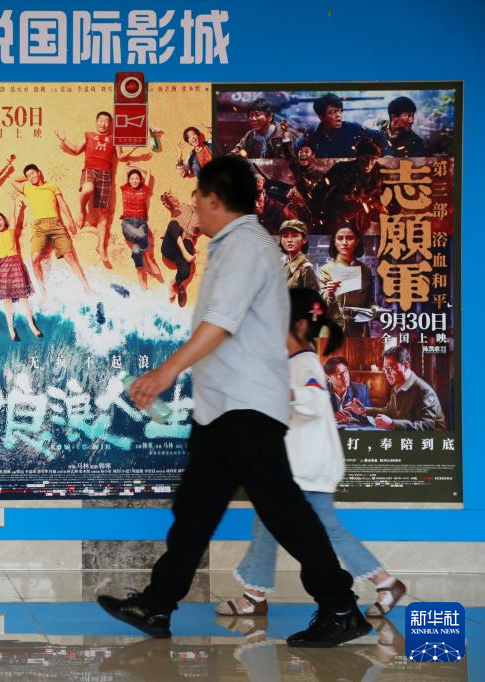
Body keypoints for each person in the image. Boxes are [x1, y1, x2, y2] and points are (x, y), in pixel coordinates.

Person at [97, 154, 368, 648]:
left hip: (246, 406)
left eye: (198, 196)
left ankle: (340, 606)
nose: (193, 205)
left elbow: (221, 322)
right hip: (223, 407)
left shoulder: (245, 245)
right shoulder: (233, 244)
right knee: (195, 512)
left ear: (215, 199)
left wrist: (165, 372)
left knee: (283, 510)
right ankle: (157, 604)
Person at [215, 288, 407, 620]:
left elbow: (314, 401)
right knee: (271, 525)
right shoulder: (293, 363)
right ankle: (255, 596)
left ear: (299, 326)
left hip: (307, 468)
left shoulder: (305, 363)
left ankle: (256, 597)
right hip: (298, 466)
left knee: (313, 529)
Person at [56, 112, 155, 264]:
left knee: (103, 214)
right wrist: (64, 140)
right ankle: (82, 211)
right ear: (96, 121)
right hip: (90, 170)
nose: (103, 124)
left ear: (110, 124)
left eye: (106, 121)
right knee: (87, 189)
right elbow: (76, 149)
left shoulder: (114, 139)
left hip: (106, 176)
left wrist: (134, 148)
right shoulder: (88, 135)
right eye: (101, 120)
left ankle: (101, 246)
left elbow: (120, 157)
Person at [12, 164, 94, 300]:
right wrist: (28, 177)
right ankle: (43, 292)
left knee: (69, 256)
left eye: (33, 173)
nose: (31, 177)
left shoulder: (52, 186)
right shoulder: (28, 188)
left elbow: (62, 203)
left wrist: (71, 220)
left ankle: (87, 288)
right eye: (28, 176)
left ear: (39, 172)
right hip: (39, 227)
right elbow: (13, 180)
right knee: (34, 259)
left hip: (56, 224)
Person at [0, 200, 42, 341]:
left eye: (0, 219)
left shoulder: (11, 230)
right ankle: (11, 328)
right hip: (1, 266)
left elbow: (13, 217)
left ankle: (32, 325)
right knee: (6, 299)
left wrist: (15, 204)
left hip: (15, 263)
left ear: (4, 221)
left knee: (23, 297)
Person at [347, 345, 447, 431]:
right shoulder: (398, 386)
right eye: (385, 369)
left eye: (390, 368)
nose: (387, 373)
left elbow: (427, 426)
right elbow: (389, 411)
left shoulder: (423, 390)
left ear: (406, 366)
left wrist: (392, 424)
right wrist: (364, 411)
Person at [318, 225, 374, 337]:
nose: (344, 242)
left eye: (349, 238)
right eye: (340, 238)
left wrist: (374, 310)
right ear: (334, 242)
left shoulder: (365, 270)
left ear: (357, 241)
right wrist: (329, 293)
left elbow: (370, 300)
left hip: (359, 329)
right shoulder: (326, 269)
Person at [319, 140, 386, 235]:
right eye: (365, 158)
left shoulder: (379, 172)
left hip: (360, 217)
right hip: (336, 215)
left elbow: (382, 197)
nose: (369, 163)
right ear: (358, 157)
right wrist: (318, 214)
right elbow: (319, 191)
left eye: (373, 159)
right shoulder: (341, 168)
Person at [296, 93, 391, 158]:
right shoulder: (311, 134)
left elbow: (379, 136)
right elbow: (296, 149)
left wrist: (388, 156)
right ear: (321, 117)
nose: (338, 115)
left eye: (340, 111)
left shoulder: (353, 129)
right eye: (332, 112)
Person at [120, 168, 163, 290]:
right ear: (128, 180)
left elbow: (148, 171)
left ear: (140, 180)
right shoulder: (125, 188)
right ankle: (149, 259)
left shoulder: (144, 189)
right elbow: (125, 171)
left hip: (141, 222)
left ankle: (140, 276)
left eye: (137, 178)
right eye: (132, 179)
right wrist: (130, 167)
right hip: (127, 223)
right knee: (141, 236)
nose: (134, 181)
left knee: (136, 251)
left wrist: (135, 165)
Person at [159, 192, 199, 308]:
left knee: (187, 271)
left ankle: (176, 285)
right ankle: (185, 254)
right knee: (173, 224)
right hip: (170, 246)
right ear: (192, 198)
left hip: (185, 246)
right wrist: (166, 198)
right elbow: (169, 203)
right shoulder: (181, 207)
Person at [228, 98, 297, 159]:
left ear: (270, 117)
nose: (253, 119)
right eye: (250, 115)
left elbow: (291, 159)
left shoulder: (285, 134)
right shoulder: (250, 135)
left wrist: (285, 137)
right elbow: (236, 152)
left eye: (257, 115)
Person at [324, 357, 371, 424]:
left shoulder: (362, 390)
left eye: (345, 371)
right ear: (329, 377)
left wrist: (362, 413)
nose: (345, 376)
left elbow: (370, 419)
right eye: (339, 374)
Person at [280, 220, 318, 291]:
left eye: (295, 236)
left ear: (304, 240)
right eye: (285, 236)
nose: (289, 240)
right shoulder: (281, 264)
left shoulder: (306, 269)